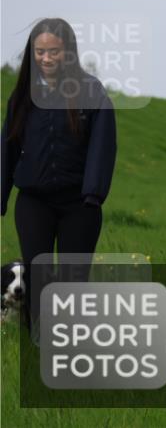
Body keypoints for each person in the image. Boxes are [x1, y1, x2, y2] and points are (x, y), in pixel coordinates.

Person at [1, 18, 117, 327]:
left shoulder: (91, 91)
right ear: (32, 53)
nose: (46, 58)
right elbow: (7, 147)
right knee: (36, 275)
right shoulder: (22, 96)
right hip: (33, 203)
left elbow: (103, 146)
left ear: (68, 52)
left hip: (80, 204)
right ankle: (36, 344)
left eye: (54, 51)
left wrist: (93, 193)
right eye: (40, 51)